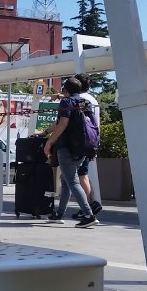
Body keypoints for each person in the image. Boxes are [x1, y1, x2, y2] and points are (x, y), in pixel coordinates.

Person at [42, 77, 98, 228]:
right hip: (83, 147)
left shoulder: (66, 102)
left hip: (66, 146)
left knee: (72, 181)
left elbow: (62, 124)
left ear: (65, 90)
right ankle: (59, 214)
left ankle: (88, 214)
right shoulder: (85, 102)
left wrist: (49, 142)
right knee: (66, 180)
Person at [71, 73, 103, 220]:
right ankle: (88, 204)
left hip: (82, 141)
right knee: (83, 173)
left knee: (81, 174)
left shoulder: (82, 100)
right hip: (92, 139)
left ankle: (90, 205)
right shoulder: (92, 99)